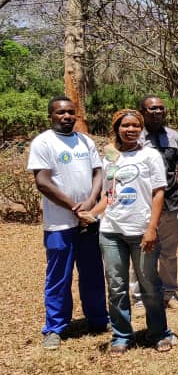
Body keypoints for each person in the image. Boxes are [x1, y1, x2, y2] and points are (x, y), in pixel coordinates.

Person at [27, 97, 108, 349]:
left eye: (71, 112)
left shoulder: (85, 141)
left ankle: (98, 319)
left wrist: (91, 202)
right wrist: (74, 207)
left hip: (88, 221)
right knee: (59, 277)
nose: (66, 116)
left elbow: (98, 172)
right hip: (59, 224)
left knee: (93, 273)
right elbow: (43, 181)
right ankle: (55, 328)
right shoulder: (43, 142)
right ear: (51, 115)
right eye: (61, 112)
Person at [93, 109, 176, 355]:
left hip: (142, 230)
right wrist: (94, 213)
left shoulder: (150, 155)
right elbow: (109, 193)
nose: (131, 130)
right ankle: (121, 335)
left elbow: (158, 192)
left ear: (141, 129)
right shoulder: (110, 155)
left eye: (135, 126)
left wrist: (152, 228)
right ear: (116, 127)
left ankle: (159, 332)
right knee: (116, 285)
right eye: (125, 125)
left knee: (149, 284)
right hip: (111, 230)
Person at [133, 95, 178, 310]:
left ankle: (169, 293)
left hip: (172, 202)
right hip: (142, 205)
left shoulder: (174, 136)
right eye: (151, 108)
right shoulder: (133, 135)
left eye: (161, 108)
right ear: (143, 112)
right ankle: (139, 296)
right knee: (140, 251)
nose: (157, 112)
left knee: (169, 253)